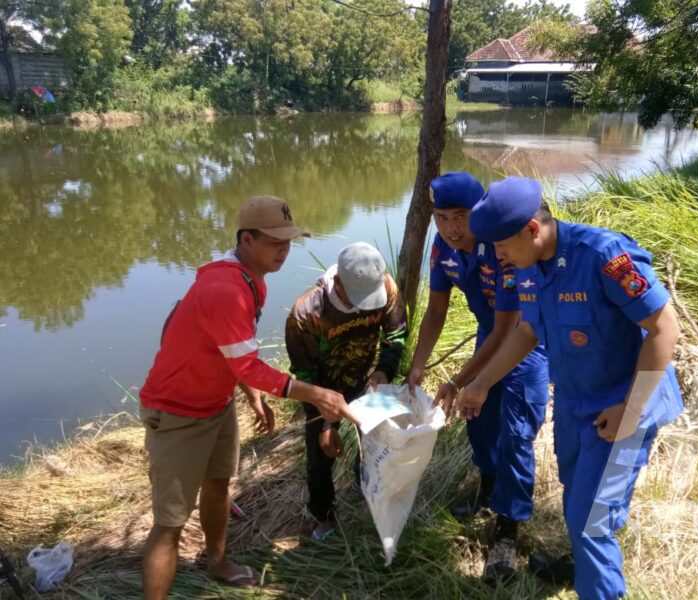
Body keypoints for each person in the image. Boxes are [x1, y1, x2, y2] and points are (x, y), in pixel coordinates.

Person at [457, 177, 683, 599]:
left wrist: (630, 411)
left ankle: (599, 583)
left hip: (626, 404)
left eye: (502, 246)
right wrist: (483, 383)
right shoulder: (526, 268)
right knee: (577, 493)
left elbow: (664, 328)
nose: (497, 255)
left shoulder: (602, 256)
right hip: (577, 403)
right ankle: (584, 566)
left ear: (531, 229)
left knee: (592, 520)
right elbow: (527, 331)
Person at [138, 196, 355, 599]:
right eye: (275, 242)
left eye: (288, 241)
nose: (284, 251)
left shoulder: (251, 280)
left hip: (216, 405)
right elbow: (249, 366)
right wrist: (317, 394)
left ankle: (217, 561)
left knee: (219, 485)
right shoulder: (225, 288)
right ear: (247, 239)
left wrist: (252, 398)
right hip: (177, 413)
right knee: (168, 524)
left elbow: (234, 355)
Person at [406, 172, 549, 582]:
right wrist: (418, 364)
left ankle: (508, 528)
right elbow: (436, 311)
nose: (452, 227)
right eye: (442, 217)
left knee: (516, 432)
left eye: (461, 216)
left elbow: (508, 329)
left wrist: (460, 380)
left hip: (525, 339)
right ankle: (488, 484)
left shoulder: (499, 246)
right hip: (490, 335)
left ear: (479, 212)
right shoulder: (442, 248)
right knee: (479, 422)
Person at [285, 242, 408, 541]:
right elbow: (305, 375)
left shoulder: (387, 287)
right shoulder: (306, 314)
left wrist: (383, 371)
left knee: (375, 441)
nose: (367, 305)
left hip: (366, 382)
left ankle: (365, 485)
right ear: (338, 282)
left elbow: (396, 335)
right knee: (320, 454)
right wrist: (327, 422)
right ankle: (323, 515)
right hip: (322, 389)